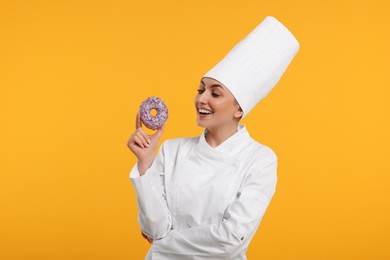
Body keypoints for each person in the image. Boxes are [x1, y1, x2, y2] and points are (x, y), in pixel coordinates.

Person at [126, 16, 299, 259]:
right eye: (200, 89)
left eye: (215, 93)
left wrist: (163, 244)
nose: (201, 99)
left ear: (240, 108)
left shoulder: (260, 159)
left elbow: (230, 239)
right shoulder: (171, 150)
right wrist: (145, 163)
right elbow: (153, 229)